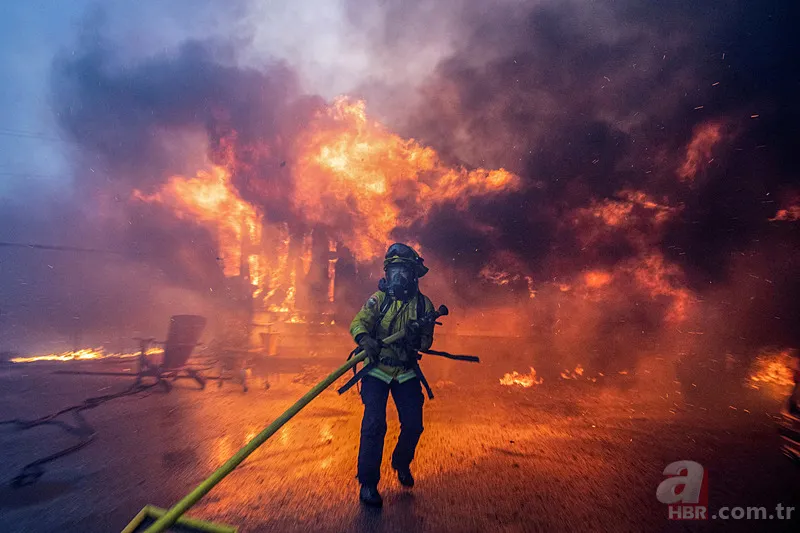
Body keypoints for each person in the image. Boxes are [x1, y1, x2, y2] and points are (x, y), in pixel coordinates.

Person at [349, 243, 435, 507]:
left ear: (412, 275)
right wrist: (364, 340)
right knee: (374, 425)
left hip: (406, 372)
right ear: (387, 273)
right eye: (393, 271)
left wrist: (416, 340)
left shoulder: (424, 306)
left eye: (402, 272)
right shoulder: (379, 299)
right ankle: (368, 484)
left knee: (413, 425)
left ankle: (401, 463)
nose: (397, 278)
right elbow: (358, 322)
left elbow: (427, 341)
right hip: (376, 370)